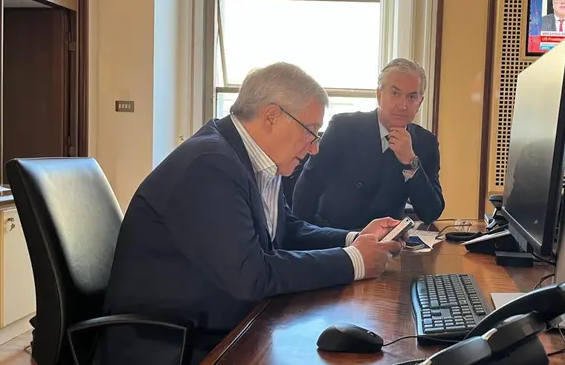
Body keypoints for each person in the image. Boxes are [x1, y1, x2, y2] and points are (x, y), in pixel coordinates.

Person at [97, 62, 406, 365]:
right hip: (172, 343)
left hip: (227, 323)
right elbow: (252, 275)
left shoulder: (252, 159)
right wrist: (354, 261)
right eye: (311, 131)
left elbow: (288, 230)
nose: (314, 148)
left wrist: (356, 239)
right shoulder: (209, 165)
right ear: (272, 116)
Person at [292, 58, 445, 230]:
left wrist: (411, 161)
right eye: (395, 94)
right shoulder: (343, 127)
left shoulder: (425, 142)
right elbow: (307, 188)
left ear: (420, 103)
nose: (403, 105)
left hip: (388, 239)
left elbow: (431, 212)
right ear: (379, 95)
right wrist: (304, 236)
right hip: (336, 235)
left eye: (411, 97)